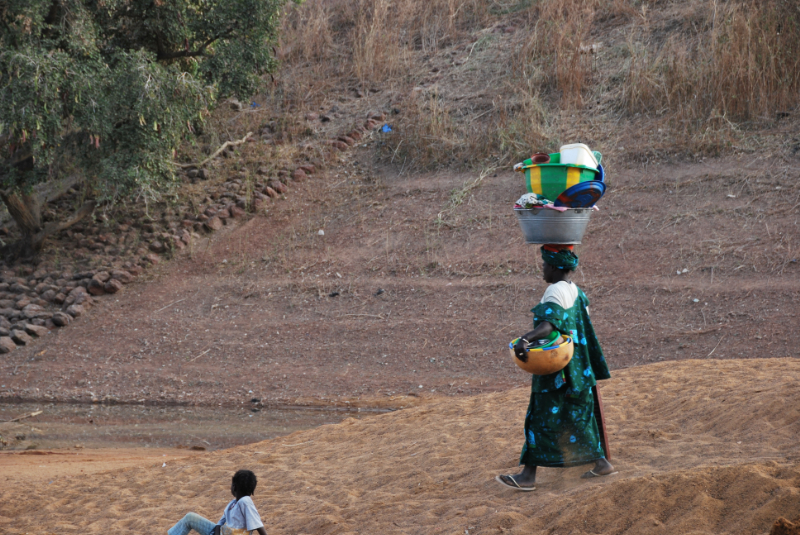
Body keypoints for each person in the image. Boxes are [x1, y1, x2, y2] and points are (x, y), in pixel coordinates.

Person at [496, 245, 615, 491]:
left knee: (539, 417)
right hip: (580, 370)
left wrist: (524, 339)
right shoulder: (576, 291)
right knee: (578, 417)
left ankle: (527, 477)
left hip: (558, 370)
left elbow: (549, 326)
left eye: (544, 265)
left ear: (553, 266)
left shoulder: (554, 290)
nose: (542, 269)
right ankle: (601, 463)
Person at [168, 469, 268, 535]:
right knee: (190, 518)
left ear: (234, 487)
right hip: (219, 533)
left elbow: (258, 525)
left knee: (190, 518)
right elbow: (219, 524)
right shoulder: (233, 504)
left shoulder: (245, 501)